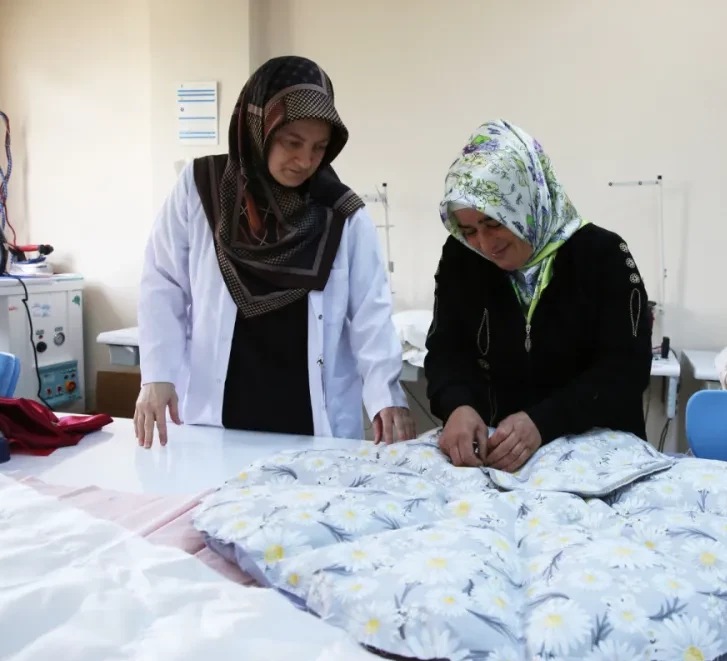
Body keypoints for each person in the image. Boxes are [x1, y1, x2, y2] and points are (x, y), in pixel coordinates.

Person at [136, 56, 413, 448]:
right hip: (218, 414)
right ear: (258, 126)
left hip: (309, 418)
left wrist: (386, 395)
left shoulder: (341, 212)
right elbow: (163, 283)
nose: (305, 161)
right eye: (292, 142)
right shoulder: (201, 188)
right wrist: (157, 374)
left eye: (319, 147)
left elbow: (371, 311)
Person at [425, 120, 652, 472]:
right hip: (496, 453)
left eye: (494, 223)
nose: (485, 244)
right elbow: (447, 349)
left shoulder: (603, 255)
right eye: (468, 230)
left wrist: (544, 421)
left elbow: (625, 370)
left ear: (527, 200)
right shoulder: (462, 258)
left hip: (593, 450)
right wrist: (457, 405)